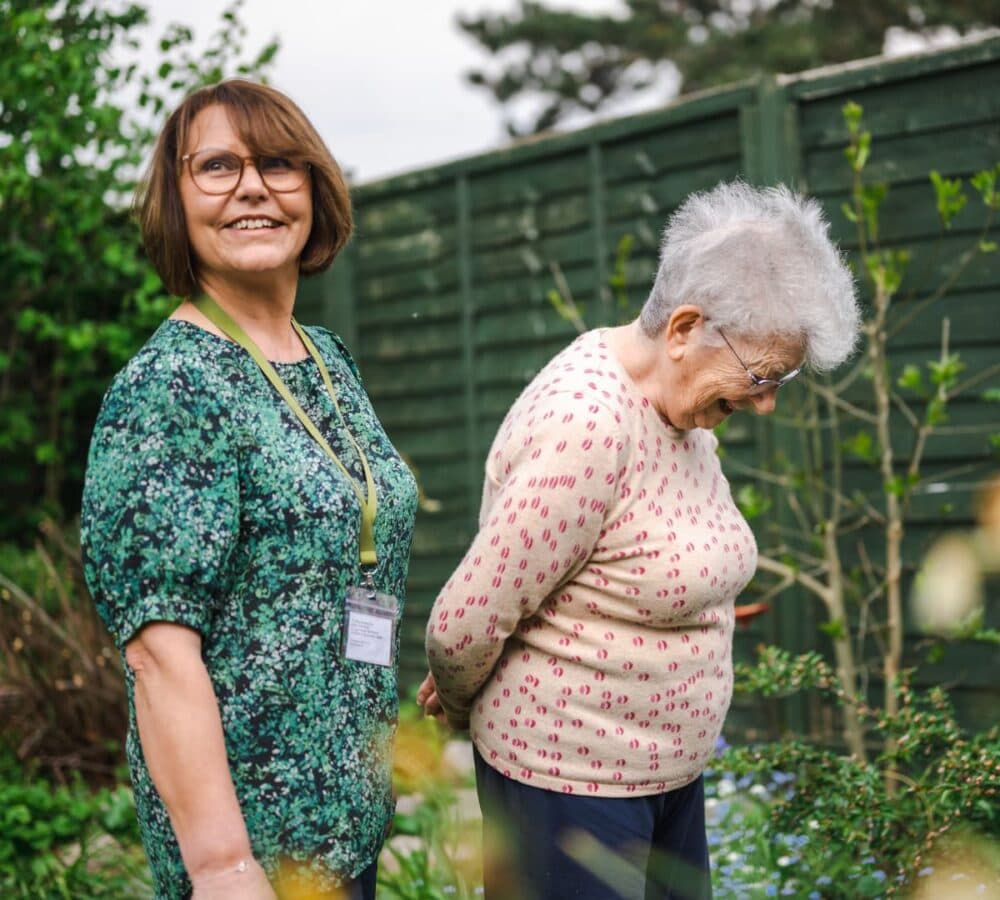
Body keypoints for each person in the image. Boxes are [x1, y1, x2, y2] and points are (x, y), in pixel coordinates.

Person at [419, 181, 860, 899]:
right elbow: (463, 624)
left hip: (664, 778)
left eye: (785, 377)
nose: (768, 401)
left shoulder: (680, 413)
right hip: (570, 789)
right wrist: (466, 710)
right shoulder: (588, 426)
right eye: (760, 374)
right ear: (684, 328)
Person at [81, 80, 417, 900]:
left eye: (277, 163)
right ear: (176, 199)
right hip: (253, 857)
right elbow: (159, 654)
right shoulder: (171, 388)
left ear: (314, 188)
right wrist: (223, 867)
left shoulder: (326, 357)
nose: (254, 187)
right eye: (218, 167)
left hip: (346, 829)